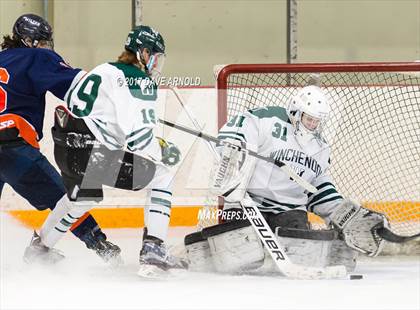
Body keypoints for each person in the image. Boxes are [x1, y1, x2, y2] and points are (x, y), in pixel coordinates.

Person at [185, 85, 387, 274]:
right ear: (295, 112)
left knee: (303, 256)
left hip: (289, 210)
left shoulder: (321, 148)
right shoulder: (267, 119)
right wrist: (232, 161)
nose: (313, 125)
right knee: (240, 259)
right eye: (309, 119)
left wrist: (341, 213)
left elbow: (316, 186)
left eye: (317, 121)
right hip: (247, 203)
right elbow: (235, 132)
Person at [36, 25, 186, 277]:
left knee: (81, 200)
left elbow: (77, 103)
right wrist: (162, 150)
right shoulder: (139, 80)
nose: (157, 64)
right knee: (163, 175)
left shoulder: (103, 69)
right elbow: (139, 140)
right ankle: (153, 249)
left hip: (66, 149)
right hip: (94, 155)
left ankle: (40, 249)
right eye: (156, 57)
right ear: (144, 53)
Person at [0, 13, 121, 265]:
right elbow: (78, 87)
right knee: (64, 198)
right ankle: (99, 244)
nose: (46, 47)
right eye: (42, 41)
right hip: (12, 147)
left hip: (10, 145)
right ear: (29, 41)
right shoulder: (36, 57)